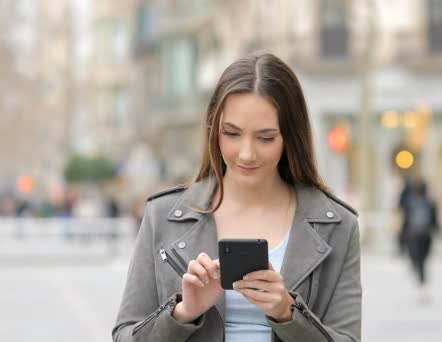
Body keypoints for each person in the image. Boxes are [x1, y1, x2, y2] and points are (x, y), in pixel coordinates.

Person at [112, 53, 362, 342]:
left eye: (265, 138)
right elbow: (126, 335)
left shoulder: (337, 225)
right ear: (213, 131)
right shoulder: (163, 215)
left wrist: (288, 312)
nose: (246, 154)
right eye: (231, 133)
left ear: (290, 137)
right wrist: (183, 312)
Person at [398, 178, 439, 302]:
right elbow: (435, 221)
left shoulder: (410, 202)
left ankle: (421, 281)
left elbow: (404, 218)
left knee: (416, 259)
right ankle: (422, 282)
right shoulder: (431, 202)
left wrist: (402, 235)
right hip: (426, 236)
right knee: (422, 260)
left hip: (413, 235)